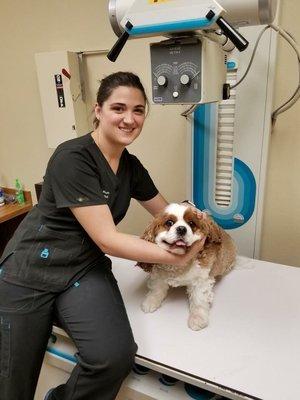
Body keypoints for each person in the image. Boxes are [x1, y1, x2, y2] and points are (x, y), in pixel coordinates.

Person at [0, 71, 205, 400]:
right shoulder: (72, 158)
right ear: (98, 110)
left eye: (138, 111)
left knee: (113, 357)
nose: (129, 119)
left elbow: (167, 213)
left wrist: (194, 227)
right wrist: (181, 254)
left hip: (82, 270)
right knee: (13, 386)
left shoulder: (131, 167)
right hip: (29, 272)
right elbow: (108, 240)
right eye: (119, 108)